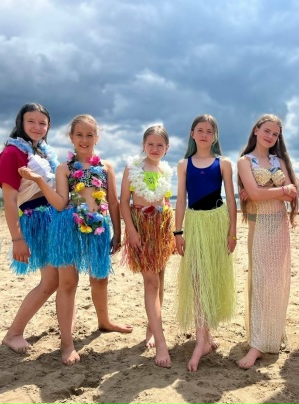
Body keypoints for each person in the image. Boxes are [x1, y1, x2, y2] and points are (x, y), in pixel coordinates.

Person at [19, 114, 131, 365]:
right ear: (71, 137)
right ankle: (67, 343)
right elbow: (60, 203)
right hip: (68, 229)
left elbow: (113, 202)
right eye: (79, 134)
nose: (84, 139)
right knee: (68, 283)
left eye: (89, 135)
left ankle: (104, 321)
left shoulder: (106, 167)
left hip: (99, 229)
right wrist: (39, 181)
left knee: (100, 279)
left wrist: (118, 232)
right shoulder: (65, 168)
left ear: (97, 137)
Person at [0, 103, 59, 354]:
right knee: (50, 281)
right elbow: (10, 201)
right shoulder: (12, 153)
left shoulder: (42, 152)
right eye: (31, 121)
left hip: (54, 218)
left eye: (42, 123)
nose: (37, 127)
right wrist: (17, 238)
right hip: (36, 220)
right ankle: (13, 333)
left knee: (59, 280)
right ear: (21, 123)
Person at [174, 114, 237, 372]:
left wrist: (232, 232)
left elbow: (231, 199)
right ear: (192, 134)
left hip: (217, 223)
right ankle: (202, 341)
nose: (204, 134)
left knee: (211, 278)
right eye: (200, 130)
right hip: (195, 224)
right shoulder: (184, 164)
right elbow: (180, 199)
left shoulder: (224, 163)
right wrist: (178, 232)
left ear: (215, 136)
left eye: (209, 131)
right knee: (198, 280)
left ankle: (206, 338)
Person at [236, 114, 299, 369]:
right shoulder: (245, 161)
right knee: (260, 280)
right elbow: (255, 193)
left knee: (276, 281)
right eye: (267, 131)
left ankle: (273, 334)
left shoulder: (279, 161)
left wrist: (265, 192)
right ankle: (258, 343)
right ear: (256, 130)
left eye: (275, 134)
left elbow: (291, 195)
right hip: (259, 224)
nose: (270, 136)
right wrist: (280, 190)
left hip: (279, 225)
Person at [120, 125, 175, 368]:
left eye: (159, 145)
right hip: (140, 226)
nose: (154, 148)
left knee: (160, 280)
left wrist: (171, 234)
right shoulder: (133, 167)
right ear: (143, 145)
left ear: (167, 148)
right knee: (151, 282)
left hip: (160, 228)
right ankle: (161, 344)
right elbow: (124, 202)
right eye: (150, 144)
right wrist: (131, 231)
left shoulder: (165, 170)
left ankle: (152, 328)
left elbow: (166, 201)